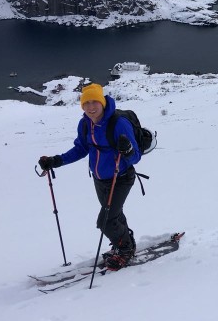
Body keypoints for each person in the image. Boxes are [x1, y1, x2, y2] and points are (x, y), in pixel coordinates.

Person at [38, 83, 141, 270]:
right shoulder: (85, 124)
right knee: (114, 215)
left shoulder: (119, 124)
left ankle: (125, 250)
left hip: (121, 177)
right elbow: (81, 148)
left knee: (105, 221)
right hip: (99, 179)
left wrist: (127, 150)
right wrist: (56, 161)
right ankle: (126, 242)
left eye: (95, 102)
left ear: (102, 103)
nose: (91, 107)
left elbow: (136, 157)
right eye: (87, 103)